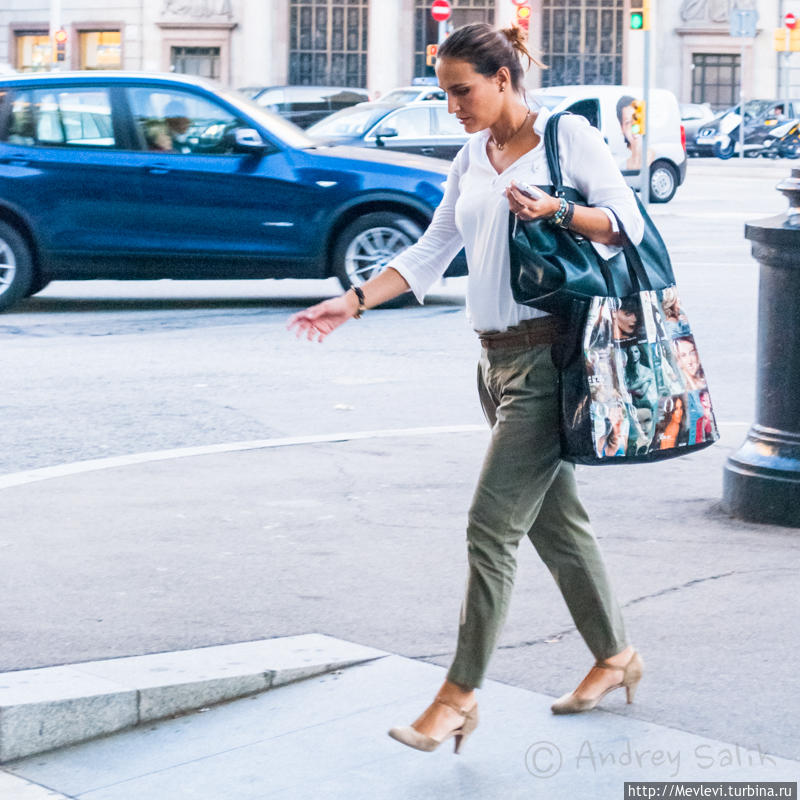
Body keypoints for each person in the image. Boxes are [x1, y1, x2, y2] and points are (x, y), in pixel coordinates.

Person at [288, 22, 645, 754]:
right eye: (445, 92)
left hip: (549, 362)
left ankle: (458, 694)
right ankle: (617, 658)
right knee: (555, 524)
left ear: (504, 79)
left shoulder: (566, 140)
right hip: (493, 364)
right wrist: (350, 302)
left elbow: (627, 223)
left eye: (463, 90)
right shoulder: (471, 156)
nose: (453, 105)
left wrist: (556, 210)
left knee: (490, 528)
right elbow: (429, 250)